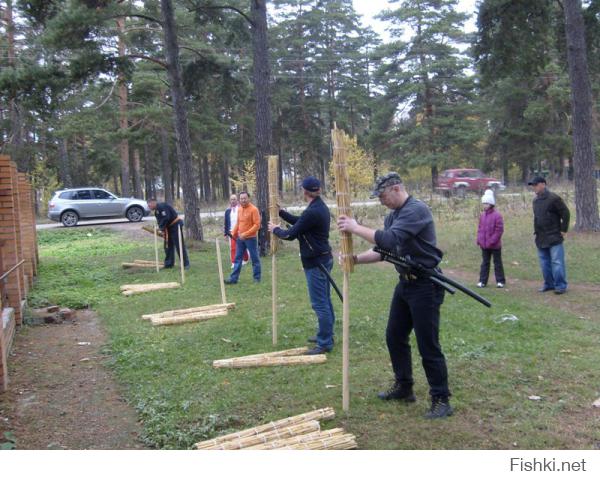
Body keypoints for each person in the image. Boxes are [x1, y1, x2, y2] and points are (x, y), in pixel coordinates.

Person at [337, 172, 453, 419]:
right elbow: (383, 250)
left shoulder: (416, 210)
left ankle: (441, 398)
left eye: (382, 195)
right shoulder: (393, 216)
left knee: (428, 344)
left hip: (426, 285)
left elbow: (390, 238)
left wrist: (356, 227)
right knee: (394, 336)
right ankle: (404, 387)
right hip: (406, 284)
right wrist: (355, 259)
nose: (381, 201)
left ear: (397, 189)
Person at [268, 176, 335, 355]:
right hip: (322, 259)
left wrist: (275, 229)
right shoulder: (317, 207)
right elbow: (301, 221)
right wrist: (282, 213)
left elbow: (291, 234)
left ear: (305, 191)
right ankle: (327, 334)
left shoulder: (314, 211)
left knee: (320, 303)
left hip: (316, 263)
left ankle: (325, 343)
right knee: (325, 300)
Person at [528, 176, 570, 294]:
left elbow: (565, 213)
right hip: (541, 237)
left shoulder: (554, 198)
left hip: (554, 236)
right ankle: (549, 284)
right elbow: (537, 218)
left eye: (535, 185)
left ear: (543, 184)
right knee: (544, 263)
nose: (534, 187)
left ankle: (560, 285)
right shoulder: (535, 201)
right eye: (533, 185)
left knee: (557, 262)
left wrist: (563, 230)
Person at [224, 192, 261, 284]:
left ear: (249, 198)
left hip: (251, 239)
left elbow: (257, 225)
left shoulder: (254, 209)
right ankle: (233, 279)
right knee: (237, 258)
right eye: (241, 198)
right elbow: (238, 223)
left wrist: (245, 234)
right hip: (240, 239)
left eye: (245, 198)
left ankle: (257, 278)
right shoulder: (239, 209)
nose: (243, 200)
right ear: (239, 200)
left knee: (255, 259)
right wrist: (233, 232)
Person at [147, 199, 190, 269]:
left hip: (176, 226)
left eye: (149, 205)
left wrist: (161, 228)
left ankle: (186, 264)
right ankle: (169, 263)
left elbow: (166, 218)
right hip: (169, 228)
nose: (149, 207)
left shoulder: (162, 206)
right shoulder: (157, 211)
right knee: (167, 246)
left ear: (153, 203)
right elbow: (160, 221)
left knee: (179, 245)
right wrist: (161, 228)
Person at [476, 189, 506, 288]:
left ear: (491, 204)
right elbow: (480, 229)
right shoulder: (482, 215)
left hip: (495, 245)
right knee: (485, 263)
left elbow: (499, 230)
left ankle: (500, 281)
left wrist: (491, 241)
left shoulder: (497, 215)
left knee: (497, 263)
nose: (484, 205)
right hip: (484, 245)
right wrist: (479, 240)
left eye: (486, 203)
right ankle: (482, 281)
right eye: (483, 203)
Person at [224, 194, 249, 268]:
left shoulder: (241, 209)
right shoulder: (227, 211)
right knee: (233, 247)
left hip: (241, 231)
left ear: (237, 200)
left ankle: (245, 258)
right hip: (231, 232)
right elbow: (226, 222)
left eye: (234, 199)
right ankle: (233, 262)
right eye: (231, 199)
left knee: (242, 246)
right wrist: (226, 233)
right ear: (230, 201)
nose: (233, 201)